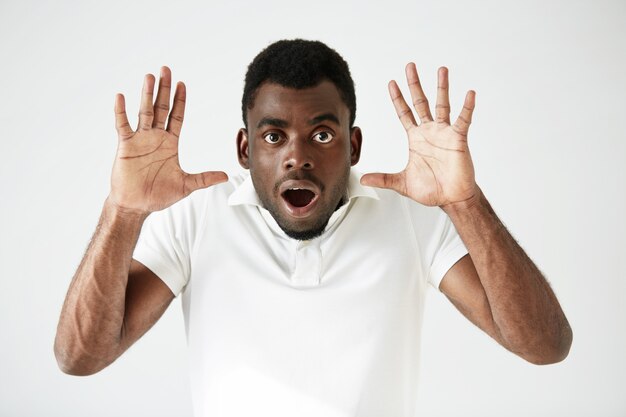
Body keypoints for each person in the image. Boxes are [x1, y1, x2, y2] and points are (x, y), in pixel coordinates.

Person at [54, 39, 572, 416]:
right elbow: (79, 357)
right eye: (274, 136)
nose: (296, 158)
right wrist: (123, 212)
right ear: (245, 150)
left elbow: (544, 346)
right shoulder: (197, 215)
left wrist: (466, 202)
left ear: (353, 147)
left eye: (321, 134)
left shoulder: (410, 215)